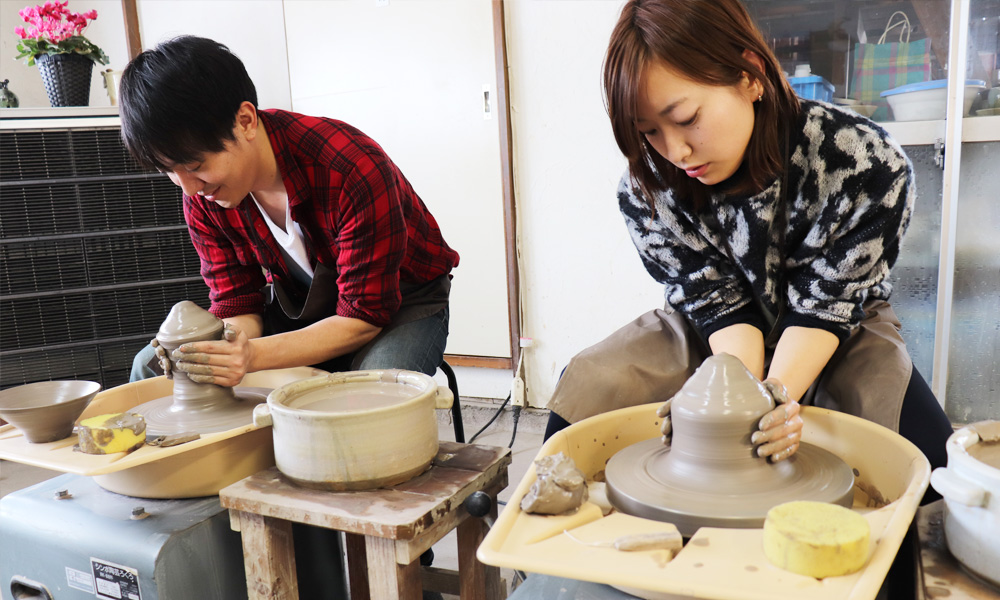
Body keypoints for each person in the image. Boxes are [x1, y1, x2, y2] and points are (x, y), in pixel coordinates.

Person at [545, 0, 952, 494]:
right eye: (649, 131)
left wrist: (773, 397)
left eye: (687, 118)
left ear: (750, 75)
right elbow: (718, 308)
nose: (675, 151)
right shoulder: (649, 190)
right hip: (708, 333)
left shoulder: (866, 163)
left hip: (840, 328)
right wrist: (729, 391)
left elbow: (827, 307)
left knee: (931, 465)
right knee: (586, 393)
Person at [119, 36, 459, 385]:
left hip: (399, 304)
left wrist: (252, 356)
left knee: (374, 393)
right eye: (169, 171)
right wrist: (222, 351)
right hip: (302, 306)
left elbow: (363, 316)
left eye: (194, 164)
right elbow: (239, 304)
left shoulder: (350, 167)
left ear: (246, 121)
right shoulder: (204, 193)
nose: (189, 188)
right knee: (155, 366)